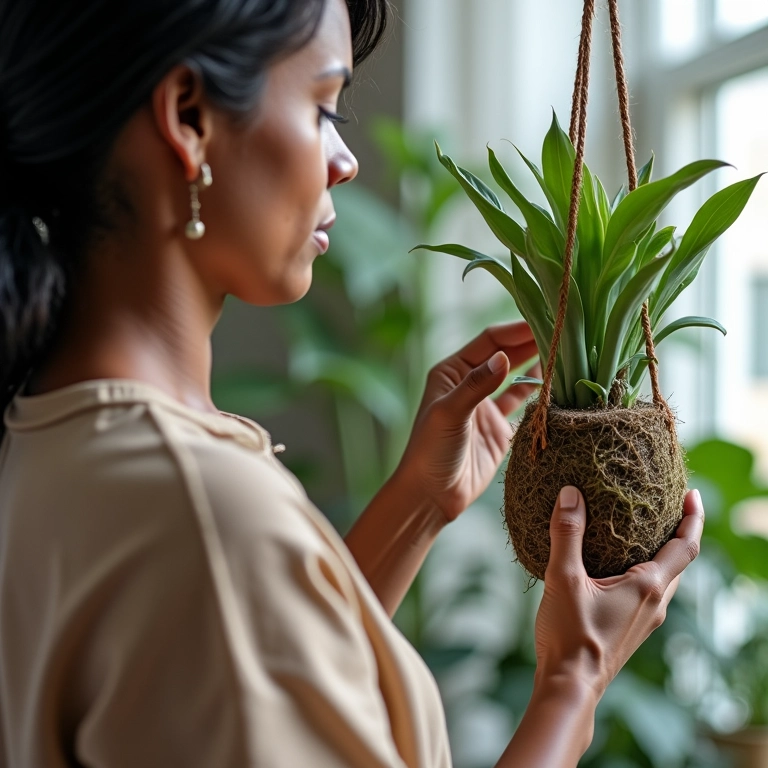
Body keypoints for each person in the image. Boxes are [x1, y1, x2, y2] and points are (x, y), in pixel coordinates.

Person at [0, 0, 704, 766]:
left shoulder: (53, 433)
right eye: (321, 107)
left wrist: (417, 505)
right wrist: (576, 678)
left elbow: (255, 663)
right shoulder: (204, 513)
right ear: (189, 117)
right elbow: (232, 592)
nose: (347, 158)